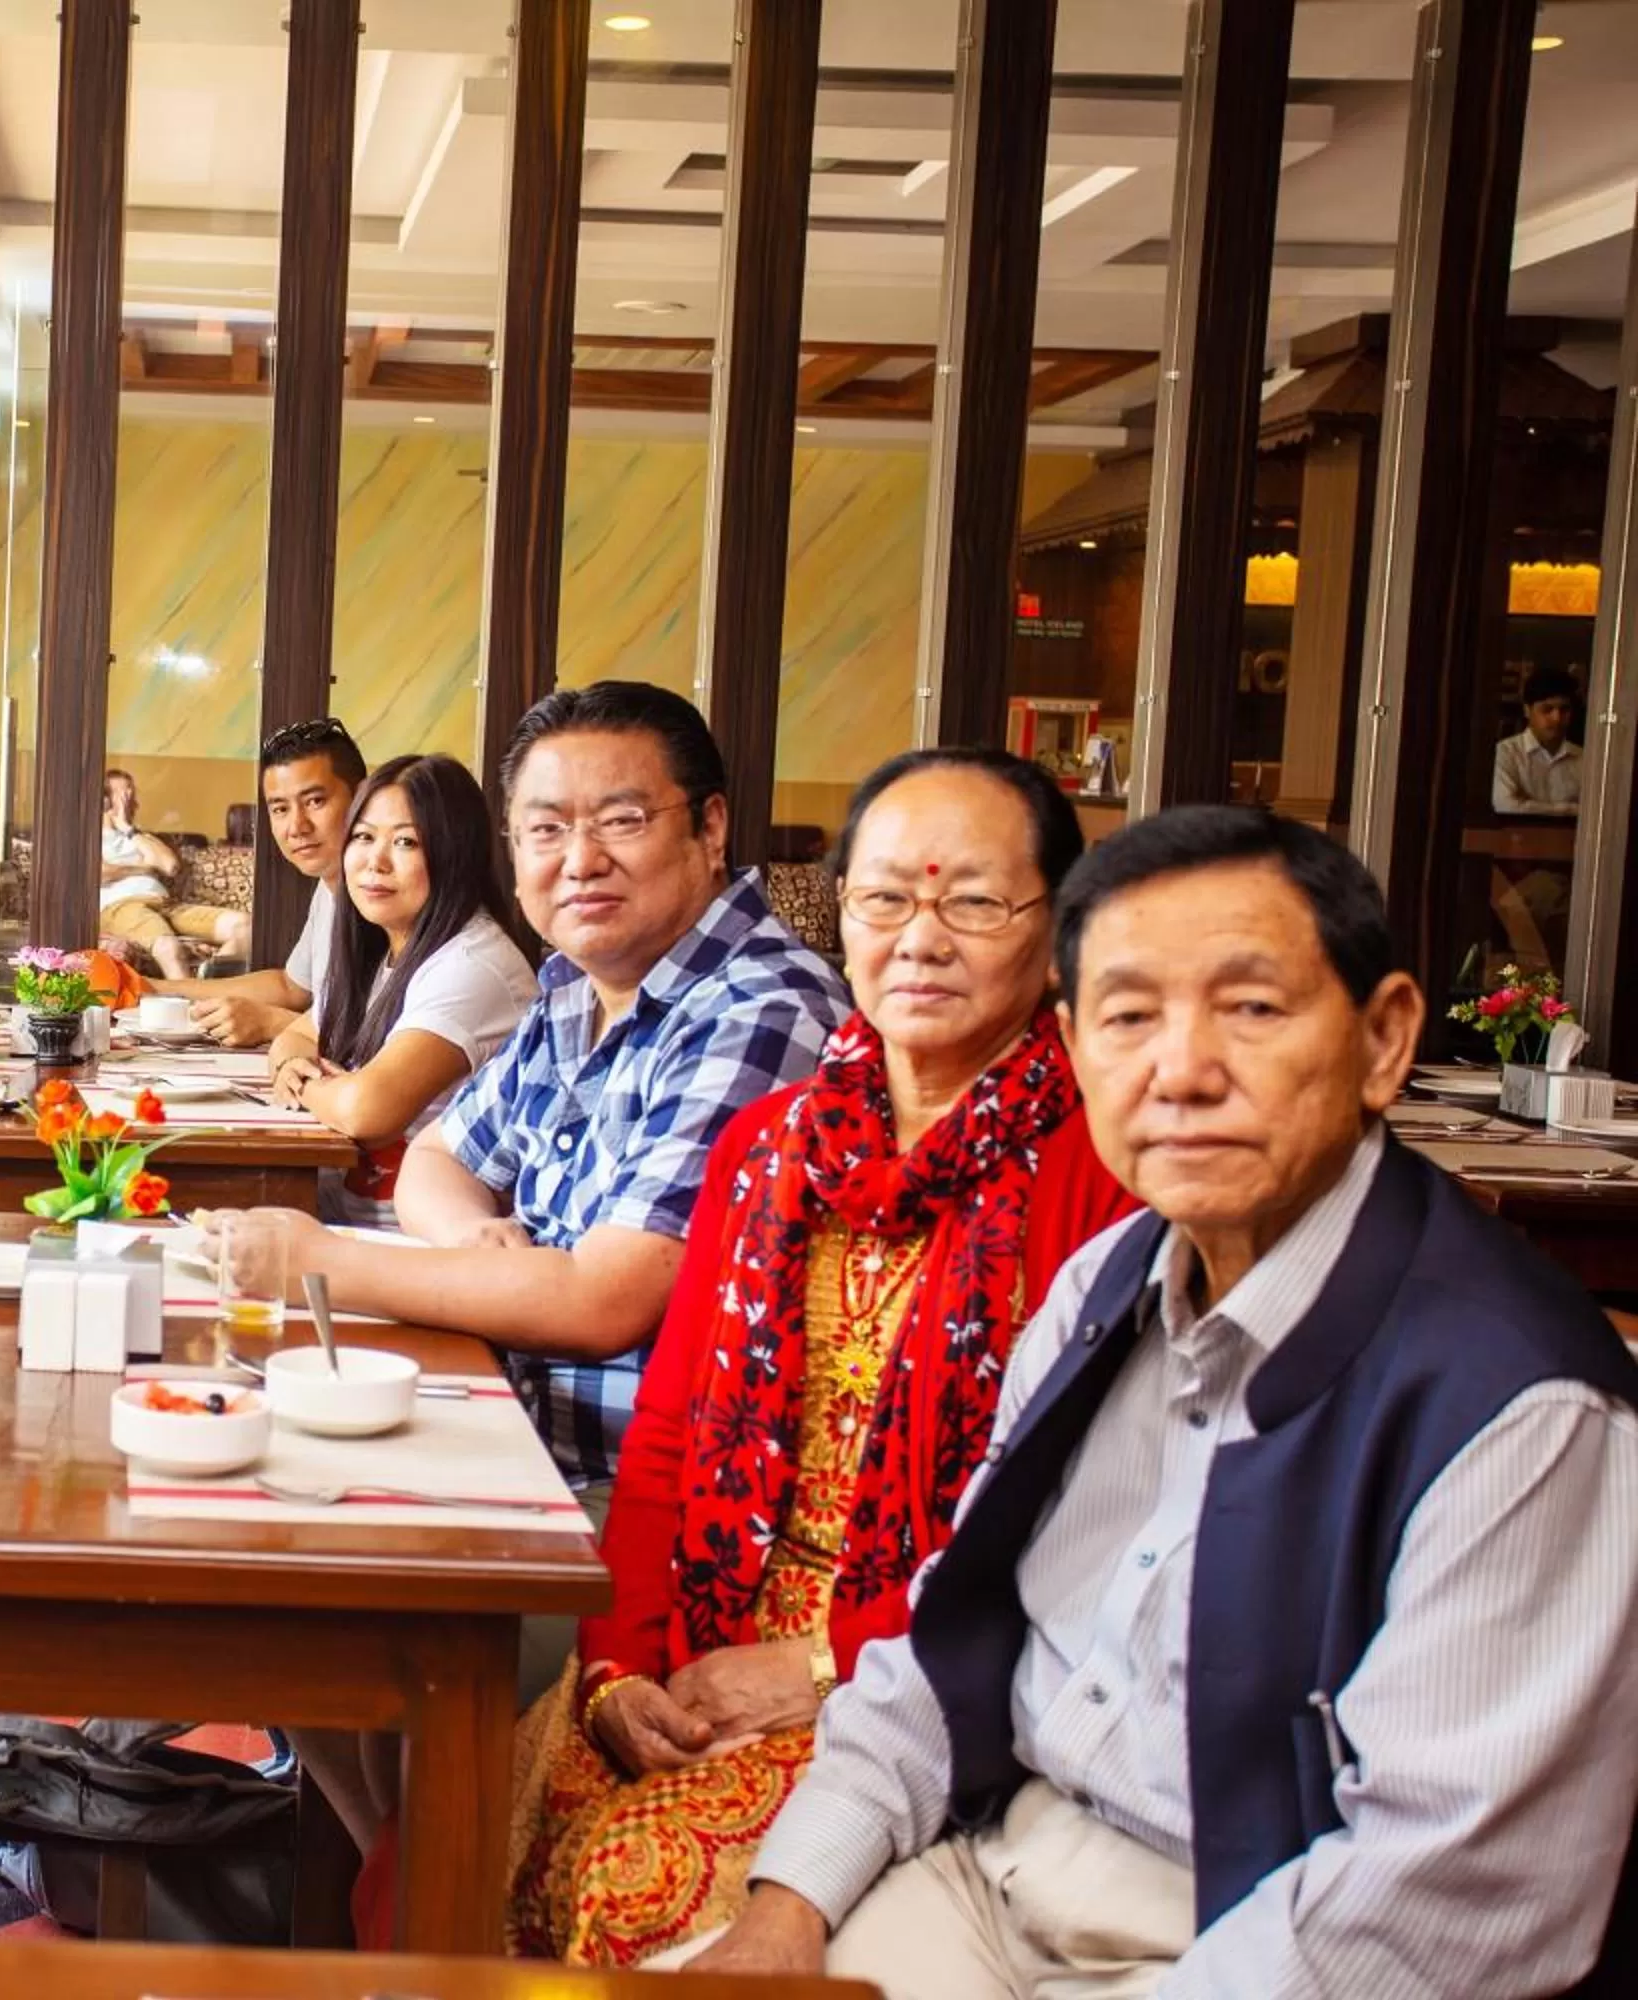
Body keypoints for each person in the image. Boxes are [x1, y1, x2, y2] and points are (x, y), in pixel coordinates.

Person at [698, 806, 1638, 1999]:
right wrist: (792, 1901)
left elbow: (1434, 1906)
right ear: (1074, 1044)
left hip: (1250, 1935)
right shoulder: (1107, 1282)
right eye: (1130, 1015)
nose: (1181, 1070)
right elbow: (951, 1637)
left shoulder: (1519, 1405)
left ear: (1386, 1038)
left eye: (1251, 1008)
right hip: (991, 1871)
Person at [503, 748, 1134, 1965]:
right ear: (840, 913)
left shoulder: (1101, 1173)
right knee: (465, 1810)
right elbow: (671, 1438)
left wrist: (817, 1663)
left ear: (1055, 930)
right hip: (698, 1633)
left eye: (974, 901)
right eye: (885, 898)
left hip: (923, 1676)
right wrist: (620, 1661)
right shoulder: (773, 1145)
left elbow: (1070, 1523)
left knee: (628, 1884)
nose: (921, 937)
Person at [211, 684, 848, 1525]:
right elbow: (438, 1159)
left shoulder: (762, 1011)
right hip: (511, 1427)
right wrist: (474, 1239)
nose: (578, 859)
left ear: (711, 825)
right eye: (546, 829)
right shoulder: (576, 992)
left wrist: (319, 1262)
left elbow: (603, 1301)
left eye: (621, 820)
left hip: (638, 1507)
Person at [263, 753, 537, 1227]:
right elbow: (295, 1037)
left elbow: (367, 1112)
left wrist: (305, 1082)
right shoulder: (380, 950)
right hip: (342, 1218)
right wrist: (294, 1064)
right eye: (364, 837)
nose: (375, 861)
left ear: (454, 854)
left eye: (406, 841)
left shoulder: (473, 965)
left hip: (420, 1251)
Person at [147, 716, 369, 1045]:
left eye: (315, 801)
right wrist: (151, 988)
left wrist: (275, 1024)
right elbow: (291, 987)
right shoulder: (329, 885)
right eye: (280, 809)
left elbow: (386, 1034)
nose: (297, 827)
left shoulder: (384, 903)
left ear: (362, 798)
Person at [97, 767, 251, 980]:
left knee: (246, 926)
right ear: (104, 801)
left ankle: (205, 985)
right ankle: (190, 1009)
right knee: (170, 948)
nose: (135, 803)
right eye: (126, 795)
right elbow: (100, 873)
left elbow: (170, 866)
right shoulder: (91, 835)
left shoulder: (139, 836)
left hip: (168, 905)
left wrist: (127, 829)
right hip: (122, 906)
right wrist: (144, 868)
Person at [1491, 666, 1583, 816]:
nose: (1557, 718)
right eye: (1547, 709)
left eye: (1564, 710)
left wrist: (1527, 804)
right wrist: (1569, 809)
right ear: (1527, 710)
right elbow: (1506, 806)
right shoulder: (1506, 753)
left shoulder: (1584, 759)